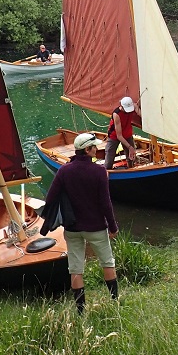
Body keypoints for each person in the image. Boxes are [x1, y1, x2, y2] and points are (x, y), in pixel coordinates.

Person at [44, 132, 119, 313]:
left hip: (72, 228)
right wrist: (113, 226)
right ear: (87, 149)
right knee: (107, 263)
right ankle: (115, 303)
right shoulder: (100, 171)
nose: (97, 149)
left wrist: (49, 223)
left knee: (75, 269)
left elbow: (51, 198)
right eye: (94, 146)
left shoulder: (63, 171)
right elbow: (105, 203)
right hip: (96, 228)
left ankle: (80, 311)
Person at [104, 96, 139, 169]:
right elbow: (119, 136)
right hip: (114, 136)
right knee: (109, 159)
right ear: (121, 106)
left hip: (127, 134)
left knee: (131, 158)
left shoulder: (133, 106)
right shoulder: (116, 114)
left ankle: (131, 170)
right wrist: (130, 147)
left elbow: (140, 113)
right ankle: (107, 172)